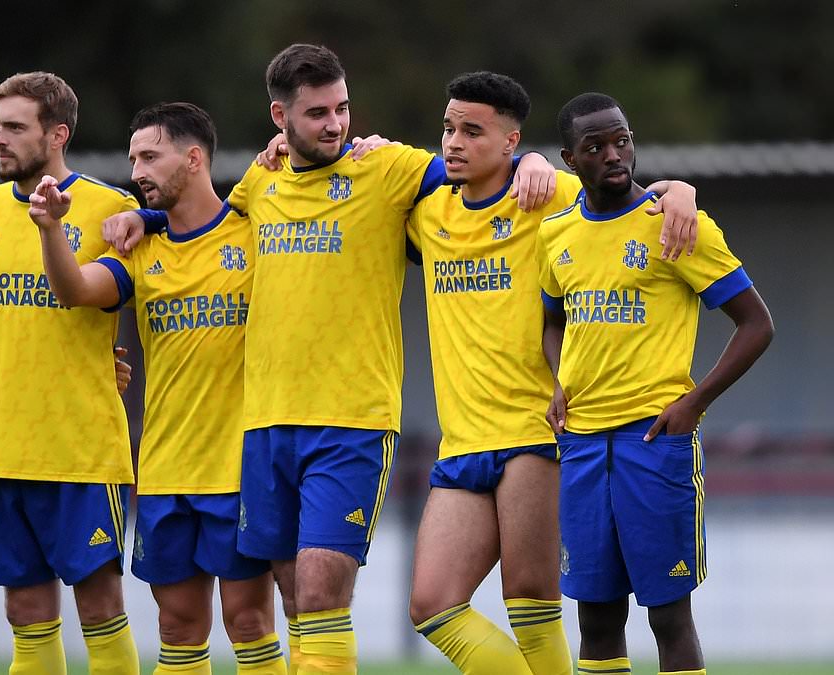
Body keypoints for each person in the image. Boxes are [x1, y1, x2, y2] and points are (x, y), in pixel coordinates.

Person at [108, 44, 557, 675]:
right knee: (295, 600)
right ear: (280, 117)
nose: (335, 124)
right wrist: (145, 215)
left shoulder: (389, 168)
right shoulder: (260, 182)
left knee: (322, 588)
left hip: (351, 421)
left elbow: (483, 168)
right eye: (317, 113)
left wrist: (533, 158)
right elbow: (202, 221)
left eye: (342, 108)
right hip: (266, 426)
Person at [403, 73, 700, 675]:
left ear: (511, 142)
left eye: (472, 131)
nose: (453, 142)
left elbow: (631, 189)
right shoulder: (426, 213)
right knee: (432, 606)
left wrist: (681, 192)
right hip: (462, 439)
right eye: (448, 129)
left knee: (530, 601)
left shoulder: (553, 194)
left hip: (539, 432)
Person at [28, 101, 287, 675]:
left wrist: (287, 149)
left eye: (149, 156)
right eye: (133, 159)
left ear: (193, 159)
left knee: (248, 622)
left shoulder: (254, 232)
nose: (136, 171)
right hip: (165, 470)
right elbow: (75, 290)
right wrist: (51, 230)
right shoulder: (141, 248)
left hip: (240, 469)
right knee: (178, 627)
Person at [540, 92, 774, 675]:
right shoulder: (556, 234)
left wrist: (695, 401)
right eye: (595, 146)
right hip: (582, 445)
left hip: (654, 441)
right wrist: (560, 381)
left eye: (622, 140)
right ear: (571, 159)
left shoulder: (676, 223)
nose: (614, 155)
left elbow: (756, 324)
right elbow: (551, 321)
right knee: (596, 619)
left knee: (668, 617)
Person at [0, 71, 140, 675]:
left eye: (15, 127)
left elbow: (99, 293)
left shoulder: (110, 207)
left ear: (57, 134)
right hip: (6, 447)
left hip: (81, 449)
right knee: (26, 612)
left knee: (100, 606)